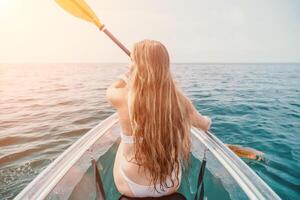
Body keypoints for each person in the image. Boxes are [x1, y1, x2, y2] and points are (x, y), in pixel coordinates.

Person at [106, 40, 211, 198]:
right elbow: (204, 124)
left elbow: (110, 90)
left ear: (137, 67)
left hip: (130, 185)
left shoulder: (121, 97)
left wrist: (125, 77)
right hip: (169, 185)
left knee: (123, 143)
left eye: (132, 61)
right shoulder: (180, 101)